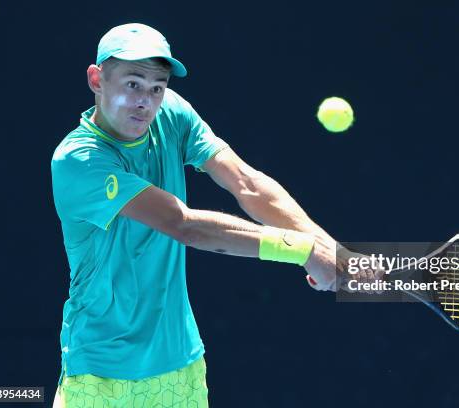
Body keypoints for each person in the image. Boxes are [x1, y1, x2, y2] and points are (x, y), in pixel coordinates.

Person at [51, 23, 376, 407]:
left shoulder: (171, 114)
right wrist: (303, 250)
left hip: (180, 368)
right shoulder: (78, 160)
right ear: (96, 79)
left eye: (157, 87)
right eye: (133, 83)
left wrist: (331, 250)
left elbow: (247, 184)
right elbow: (182, 224)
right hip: (99, 374)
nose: (146, 101)